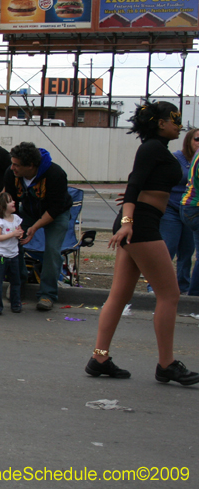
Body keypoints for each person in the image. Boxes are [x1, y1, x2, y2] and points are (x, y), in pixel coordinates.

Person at [88, 101, 199, 386]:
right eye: (174, 118)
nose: (179, 123)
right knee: (170, 294)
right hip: (142, 225)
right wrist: (127, 222)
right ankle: (166, 364)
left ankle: (99, 357)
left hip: (139, 221)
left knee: (119, 295)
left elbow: (138, 186)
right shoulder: (151, 148)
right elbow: (135, 182)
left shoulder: (158, 149)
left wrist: (129, 214)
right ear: (160, 123)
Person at [3, 142, 72, 311]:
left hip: (56, 214)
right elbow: (11, 201)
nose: (12, 168)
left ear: (31, 166)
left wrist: (34, 228)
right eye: (12, 163)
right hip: (26, 212)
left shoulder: (55, 174)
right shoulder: (11, 174)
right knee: (13, 242)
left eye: (16, 165)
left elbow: (55, 209)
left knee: (52, 250)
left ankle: (47, 294)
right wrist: (11, 225)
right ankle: (18, 282)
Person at [153, 128, 198, 294]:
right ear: (188, 141)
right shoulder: (176, 158)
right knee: (167, 248)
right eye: (197, 139)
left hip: (191, 210)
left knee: (187, 253)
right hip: (172, 208)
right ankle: (155, 286)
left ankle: (182, 287)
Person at [0, 192, 23, 315]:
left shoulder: (16, 219)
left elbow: (19, 230)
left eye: (12, 200)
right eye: (9, 201)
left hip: (14, 255)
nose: (13, 202)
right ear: (2, 207)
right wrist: (13, 234)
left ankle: (16, 302)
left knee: (16, 281)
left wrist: (20, 233)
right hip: (0, 256)